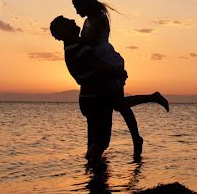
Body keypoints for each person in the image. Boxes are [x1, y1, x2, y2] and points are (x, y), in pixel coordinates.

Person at [50, 15, 166, 160]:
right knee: (101, 143)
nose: (73, 20)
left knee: (95, 140)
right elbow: (98, 66)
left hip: (90, 98)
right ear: (65, 31)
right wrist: (119, 72)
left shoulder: (75, 46)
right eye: (69, 21)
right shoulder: (79, 49)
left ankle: (93, 174)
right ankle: (92, 170)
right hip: (95, 99)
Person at [72, 0, 168, 159]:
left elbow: (90, 42)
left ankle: (137, 138)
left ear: (85, 4)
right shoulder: (88, 20)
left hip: (107, 61)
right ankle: (150, 105)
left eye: (77, 7)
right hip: (98, 62)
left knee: (119, 104)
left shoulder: (100, 19)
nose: (76, 11)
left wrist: (71, 39)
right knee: (118, 104)